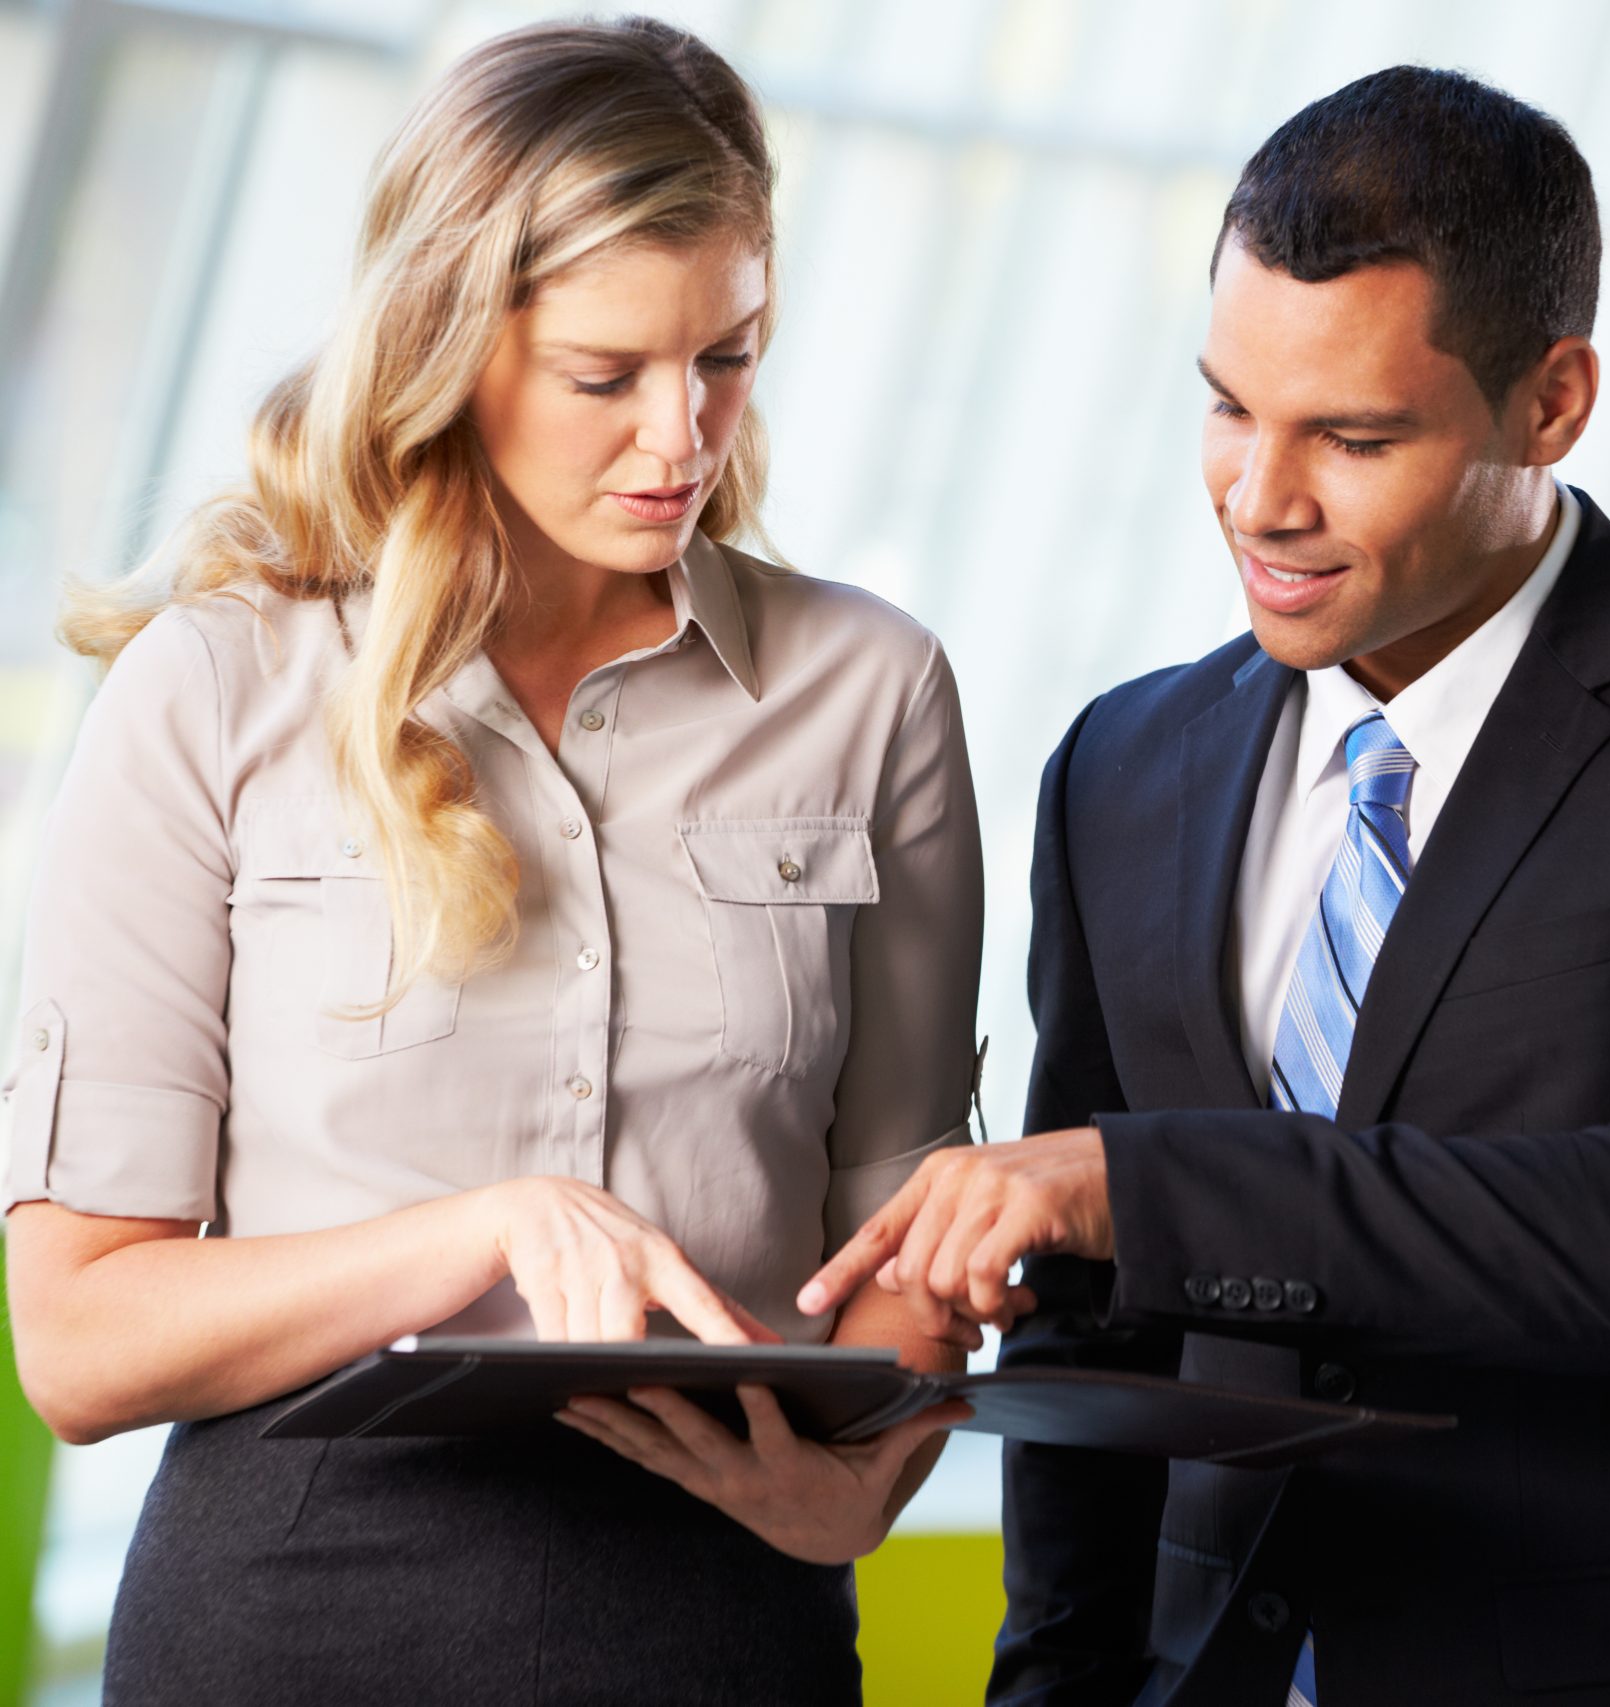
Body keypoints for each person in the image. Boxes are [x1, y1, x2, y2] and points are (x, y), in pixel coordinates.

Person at [801, 66, 1610, 1706]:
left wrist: (1143, 1187)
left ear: (1550, 404)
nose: (1261, 501)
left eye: (1352, 437)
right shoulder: (1124, 766)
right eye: (1229, 408)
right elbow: (1089, 1331)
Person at [1, 19, 980, 1704]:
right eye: (606, 376)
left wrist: (864, 1489)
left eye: (727, 357)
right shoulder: (214, 689)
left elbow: (905, 1234)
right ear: (448, 344)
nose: (680, 438)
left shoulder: (870, 691)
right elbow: (82, 1339)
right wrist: (490, 1232)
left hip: (723, 1628)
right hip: (287, 1627)